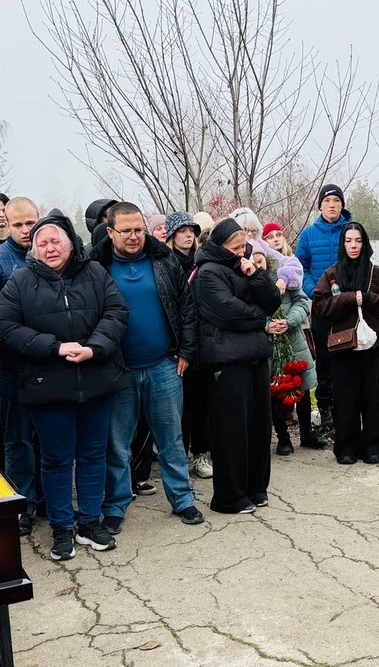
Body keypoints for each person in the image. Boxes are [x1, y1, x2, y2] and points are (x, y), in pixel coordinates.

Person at [0, 214, 129, 560]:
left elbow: (116, 312)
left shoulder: (95, 273)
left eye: (55, 241)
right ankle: (62, 527)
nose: (49, 248)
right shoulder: (20, 282)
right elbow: (7, 327)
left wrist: (93, 347)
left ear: (70, 244)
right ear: (34, 249)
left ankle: (88, 521)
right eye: (42, 243)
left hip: (95, 380)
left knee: (92, 454)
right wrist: (54, 347)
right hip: (47, 386)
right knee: (55, 459)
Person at [90, 202, 204, 534]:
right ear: (110, 232)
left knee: (171, 438)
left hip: (163, 366)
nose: (134, 236)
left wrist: (186, 350)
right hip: (117, 370)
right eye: (126, 231)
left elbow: (186, 306)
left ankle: (182, 499)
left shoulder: (164, 260)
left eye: (139, 229)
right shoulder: (96, 266)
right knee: (117, 443)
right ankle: (115, 505)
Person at [190, 218, 281, 514]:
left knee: (258, 426)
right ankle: (229, 496)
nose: (241, 252)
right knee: (231, 430)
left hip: (254, 355)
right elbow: (228, 312)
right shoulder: (207, 273)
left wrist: (255, 275)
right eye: (235, 247)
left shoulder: (245, 267)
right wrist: (260, 320)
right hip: (226, 361)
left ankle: (256, 488)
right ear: (220, 246)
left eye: (244, 246)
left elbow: (272, 302)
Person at [0, 197, 43, 535]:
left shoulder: (50, 252)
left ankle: (46, 499)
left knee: (47, 435)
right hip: (11, 366)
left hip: (48, 363)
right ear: (4, 223)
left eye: (30, 222)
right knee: (17, 439)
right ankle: (23, 504)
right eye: (18, 224)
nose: (26, 229)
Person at [312, 223, 379, 465]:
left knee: (373, 397)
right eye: (348, 241)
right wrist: (349, 298)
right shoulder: (331, 274)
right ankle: (346, 447)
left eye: (358, 240)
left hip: (372, 346)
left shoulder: (377, 274)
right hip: (342, 347)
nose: (353, 245)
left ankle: (373, 447)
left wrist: (368, 298)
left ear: (364, 243)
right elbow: (320, 306)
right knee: (345, 398)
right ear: (342, 244)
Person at [250, 241, 326, 455]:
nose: (259, 265)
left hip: (294, 341)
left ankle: (306, 433)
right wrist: (267, 326)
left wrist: (289, 321)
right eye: (254, 263)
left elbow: (302, 303)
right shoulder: (248, 286)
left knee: (302, 387)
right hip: (268, 345)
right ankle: (283, 437)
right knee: (274, 390)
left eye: (261, 260)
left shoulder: (285, 279)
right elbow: (247, 314)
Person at [296, 184, 353, 431]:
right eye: (327, 200)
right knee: (325, 358)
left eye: (336, 201)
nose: (332, 205)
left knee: (349, 354)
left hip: (348, 307)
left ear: (342, 205)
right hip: (321, 307)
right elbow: (301, 269)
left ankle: (349, 407)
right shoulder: (309, 235)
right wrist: (315, 293)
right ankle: (326, 408)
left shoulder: (351, 231)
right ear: (320, 205)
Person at [164, 212, 212, 478]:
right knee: (180, 408)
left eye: (191, 230)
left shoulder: (202, 262)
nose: (188, 235)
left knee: (202, 403)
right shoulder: (164, 264)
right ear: (172, 235)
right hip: (175, 345)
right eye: (181, 230)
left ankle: (201, 454)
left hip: (202, 342)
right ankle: (178, 457)